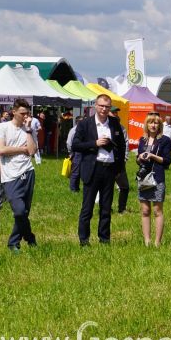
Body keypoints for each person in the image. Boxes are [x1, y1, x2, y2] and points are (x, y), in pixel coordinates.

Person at [72, 94, 127, 246]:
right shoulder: (85, 124)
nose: (104, 109)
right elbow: (75, 145)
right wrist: (94, 143)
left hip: (109, 169)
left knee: (106, 207)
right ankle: (84, 240)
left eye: (107, 106)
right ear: (95, 106)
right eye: (101, 106)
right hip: (92, 168)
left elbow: (122, 146)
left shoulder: (115, 123)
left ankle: (104, 239)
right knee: (87, 208)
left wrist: (119, 167)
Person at [0, 98, 38, 251]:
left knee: (24, 211)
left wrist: (28, 130)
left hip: (28, 171)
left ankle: (14, 243)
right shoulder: (2, 127)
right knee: (19, 211)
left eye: (28, 113)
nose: (26, 116)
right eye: (22, 113)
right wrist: (21, 149)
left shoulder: (28, 130)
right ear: (14, 112)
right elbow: (1, 150)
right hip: (10, 176)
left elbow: (32, 151)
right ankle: (29, 237)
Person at [136, 113, 171, 247]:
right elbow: (138, 160)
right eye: (150, 122)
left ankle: (157, 242)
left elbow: (167, 161)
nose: (153, 125)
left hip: (157, 178)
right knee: (145, 210)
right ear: (146, 125)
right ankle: (147, 241)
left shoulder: (165, 140)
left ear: (160, 125)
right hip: (143, 178)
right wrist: (140, 157)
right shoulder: (142, 140)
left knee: (157, 210)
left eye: (156, 123)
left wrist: (152, 156)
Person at [110, 107, 130, 214]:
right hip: (107, 162)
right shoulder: (105, 127)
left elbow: (126, 143)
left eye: (116, 113)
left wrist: (125, 157)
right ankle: (107, 208)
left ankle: (122, 208)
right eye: (113, 112)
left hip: (119, 162)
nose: (116, 114)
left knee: (124, 186)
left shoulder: (122, 128)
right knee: (108, 187)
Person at [67, 116, 84, 192]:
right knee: (75, 171)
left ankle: (77, 188)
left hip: (83, 152)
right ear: (77, 122)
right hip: (76, 153)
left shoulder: (84, 129)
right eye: (82, 121)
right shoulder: (73, 130)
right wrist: (70, 152)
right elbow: (69, 142)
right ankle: (73, 189)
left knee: (81, 171)